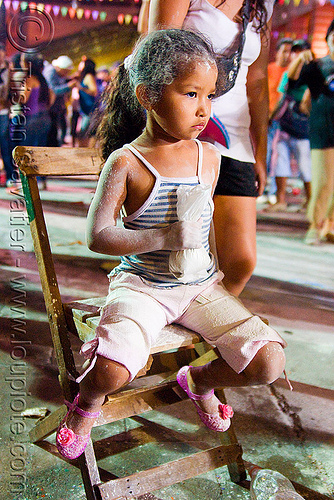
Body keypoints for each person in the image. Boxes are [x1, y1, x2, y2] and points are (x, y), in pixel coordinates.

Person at [55, 29, 287, 461]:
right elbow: (98, 236)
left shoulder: (210, 157)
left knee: (267, 362)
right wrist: (161, 237)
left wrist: (214, 276)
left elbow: (207, 228)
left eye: (210, 95)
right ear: (147, 96)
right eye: (190, 93)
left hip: (199, 286)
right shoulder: (126, 162)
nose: (204, 109)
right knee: (109, 371)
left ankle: (197, 381)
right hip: (143, 284)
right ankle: (85, 403)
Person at [145, 0, 275, 296]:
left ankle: (198, 326)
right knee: (180, 257)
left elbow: (257, 81)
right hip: (185, 134)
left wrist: (261, 151)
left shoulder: (262, 5)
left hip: (237, 140)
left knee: (239, 261)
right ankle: (181, 327)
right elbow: (157, 55)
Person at [289, 19, 334, 244]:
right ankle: (315, 227)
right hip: (323, 131)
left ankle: (331, 226)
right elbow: (292, 83)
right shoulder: (318, 66)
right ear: (328, 40)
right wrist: (298, 59)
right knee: (323, 182)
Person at [265, 40, 312, 212]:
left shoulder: (313, 72)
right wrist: (271, 117)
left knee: (305, 165)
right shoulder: (288, 74)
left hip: (303, 128)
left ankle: (310, 201)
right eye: (295, 51)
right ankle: (281, 200)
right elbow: (282, 96)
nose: (298, 55)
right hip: (285, 125)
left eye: (302, 51)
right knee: (280, 163)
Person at [266, 37, 293, 199]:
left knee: (280, 156)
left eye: (290, 52)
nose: (287, 55)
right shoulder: (269, 69)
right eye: (284, 51)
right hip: (267, 118)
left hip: (283, 120)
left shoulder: (292, 72)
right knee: (268, 153)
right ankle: (265, 188)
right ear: (277, 52)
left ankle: (275, 192)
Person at [43, 55, 77, 146]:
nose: (66, 74)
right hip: (50, 110)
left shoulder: (56, 73)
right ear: (60, 68)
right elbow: (53, 91)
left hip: (57, 108)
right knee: (52, 133)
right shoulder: (50, 72)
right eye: (66, 71)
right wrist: (68, 86)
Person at [0, 42, 15, 187]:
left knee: (5, 144)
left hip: (3, 112)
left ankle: (10, 175)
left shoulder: (7, 72)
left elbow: (7, 93)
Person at [75, 58, 98, 147]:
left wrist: (81, 88)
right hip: (86, 110)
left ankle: (85, 152)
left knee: (85, 133)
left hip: (89, 110)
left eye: (82, 63)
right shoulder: (85, 76)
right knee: (86, 133)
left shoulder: (88, 76)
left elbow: (94, 91)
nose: (80, 64)